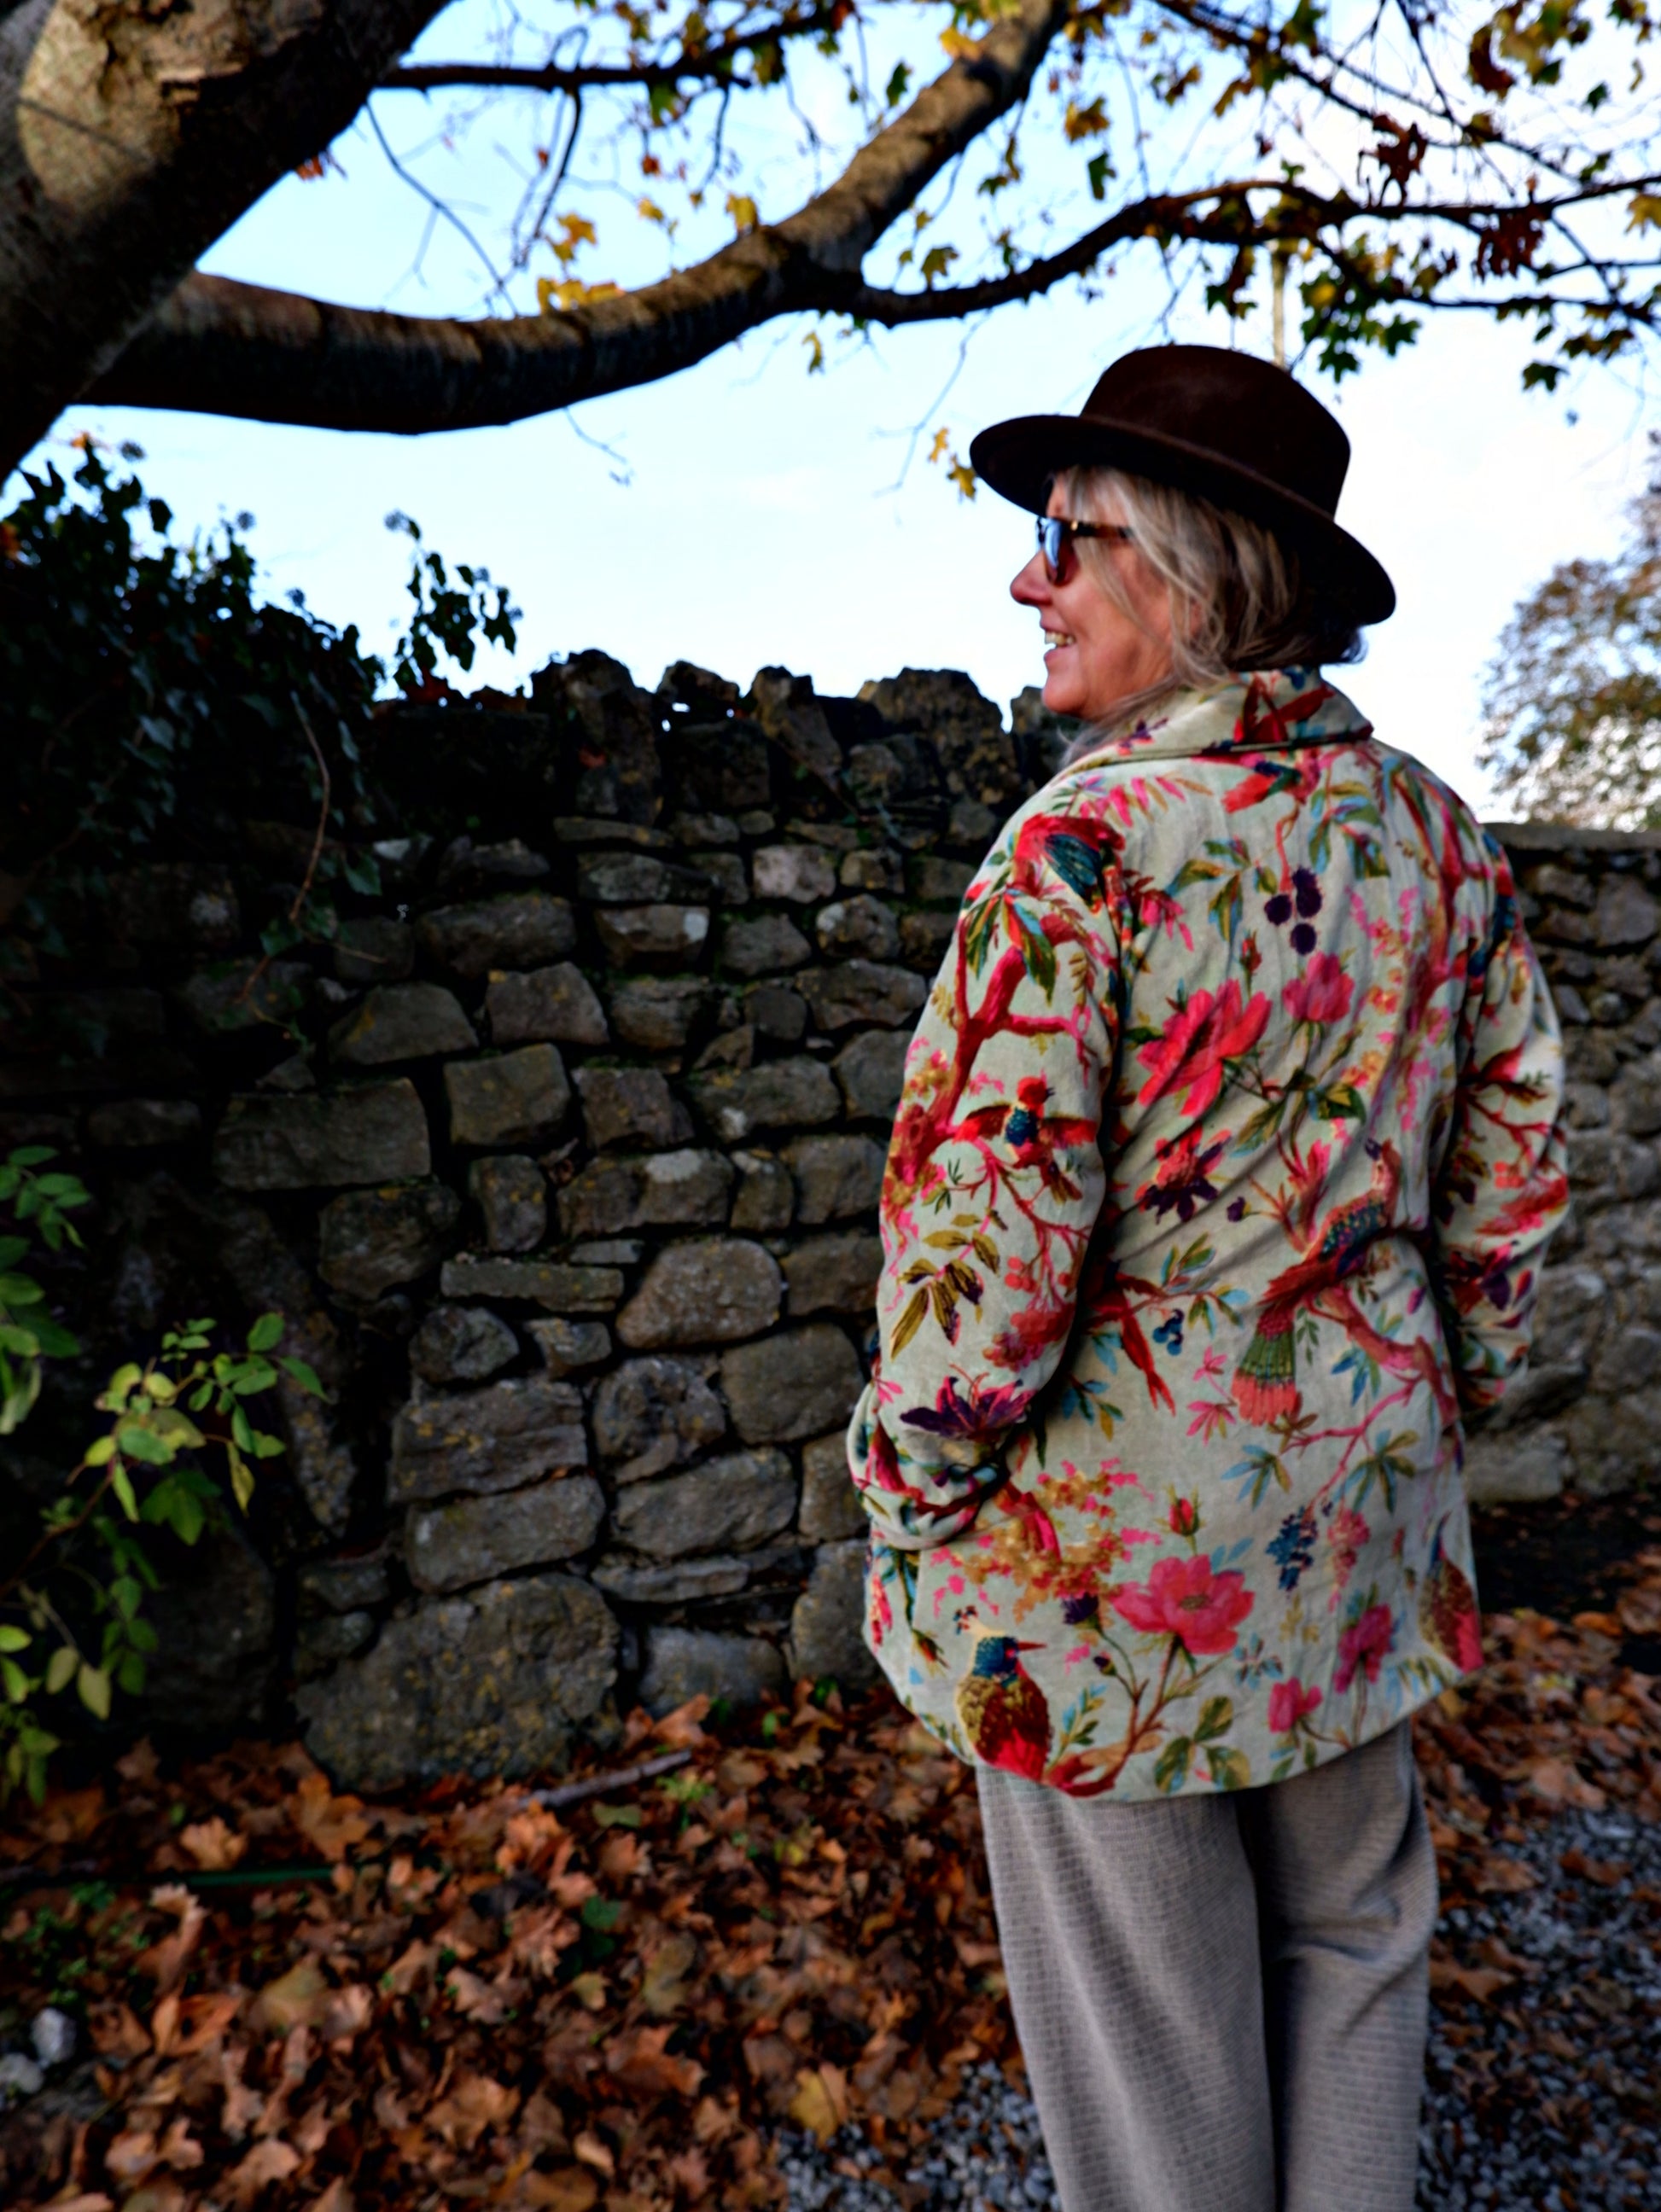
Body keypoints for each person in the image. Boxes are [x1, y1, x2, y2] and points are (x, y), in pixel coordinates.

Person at [846, 344, 1568, 2212]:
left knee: (1156, 2048)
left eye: (1064, 539)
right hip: (1358, 1526)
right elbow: (1508, 1196)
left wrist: (908, 1497)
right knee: (1354, 1946)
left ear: (1186, 568)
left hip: (1107, 1584)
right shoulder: (1439, 841)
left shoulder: (1080, 857)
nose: (1027, 581)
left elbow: (982, 1260)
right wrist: (1426, 1420)